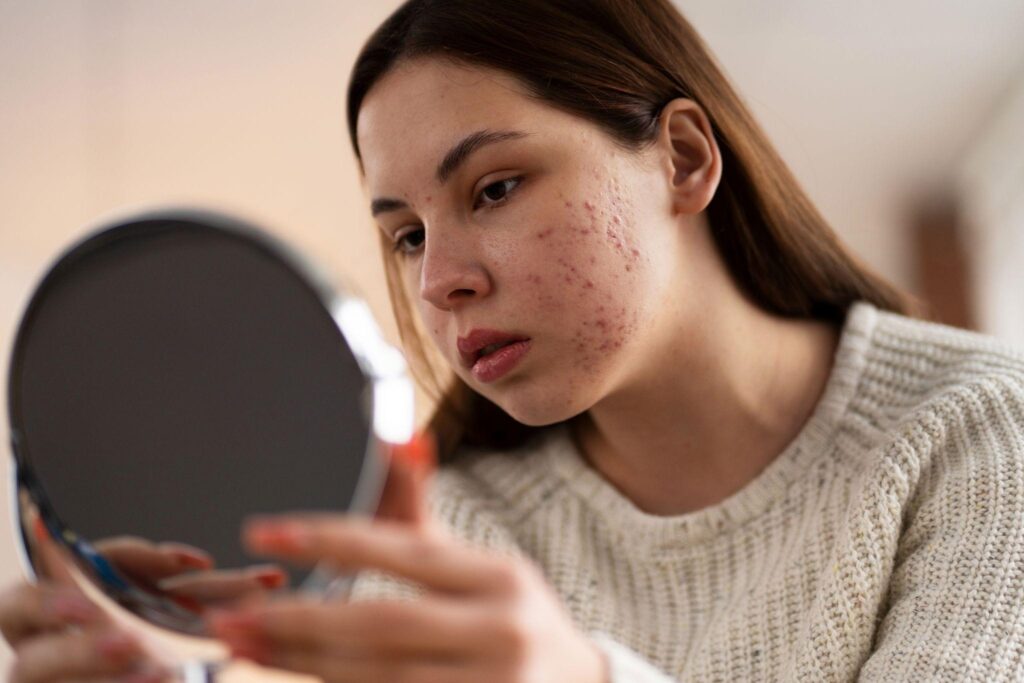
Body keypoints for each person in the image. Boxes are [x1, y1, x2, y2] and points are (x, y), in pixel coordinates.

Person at [4, 0, 1024, 681]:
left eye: (493, 187)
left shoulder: (976, 430)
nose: (440, 278)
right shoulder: (445, 534)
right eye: (404, 234)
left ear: (678, 156)